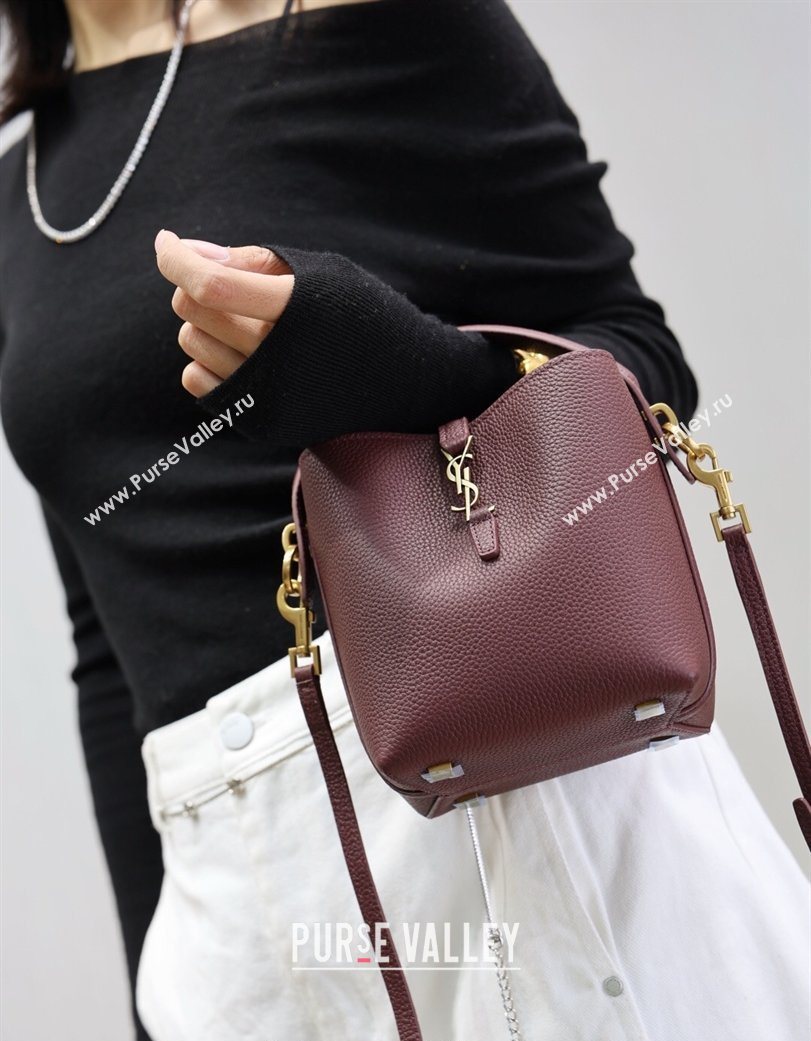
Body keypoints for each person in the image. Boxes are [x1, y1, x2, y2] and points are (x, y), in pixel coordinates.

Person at [0, 1, 807, 1039]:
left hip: (509, 805)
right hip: (233, 918)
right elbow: (104, 649)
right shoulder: (20, 192)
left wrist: (391, 368)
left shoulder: (397, 23)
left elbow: (645, 367)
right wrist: (150, 983)